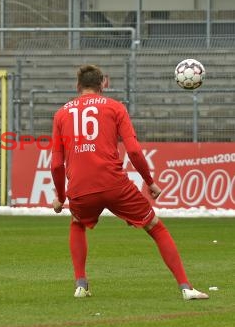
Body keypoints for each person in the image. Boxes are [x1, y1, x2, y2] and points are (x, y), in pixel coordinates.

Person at [50, 64, 209, 301]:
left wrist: (61, 198)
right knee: (155, 226)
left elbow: (55, 164)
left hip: (81, 188)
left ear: (78, 86)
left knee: (77, 223)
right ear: (103, 83)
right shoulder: (115, 107)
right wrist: (150, 182)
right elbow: (133, 151)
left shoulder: (61, 113)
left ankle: (81, 285)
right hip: (115, 184)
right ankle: (186, 287)